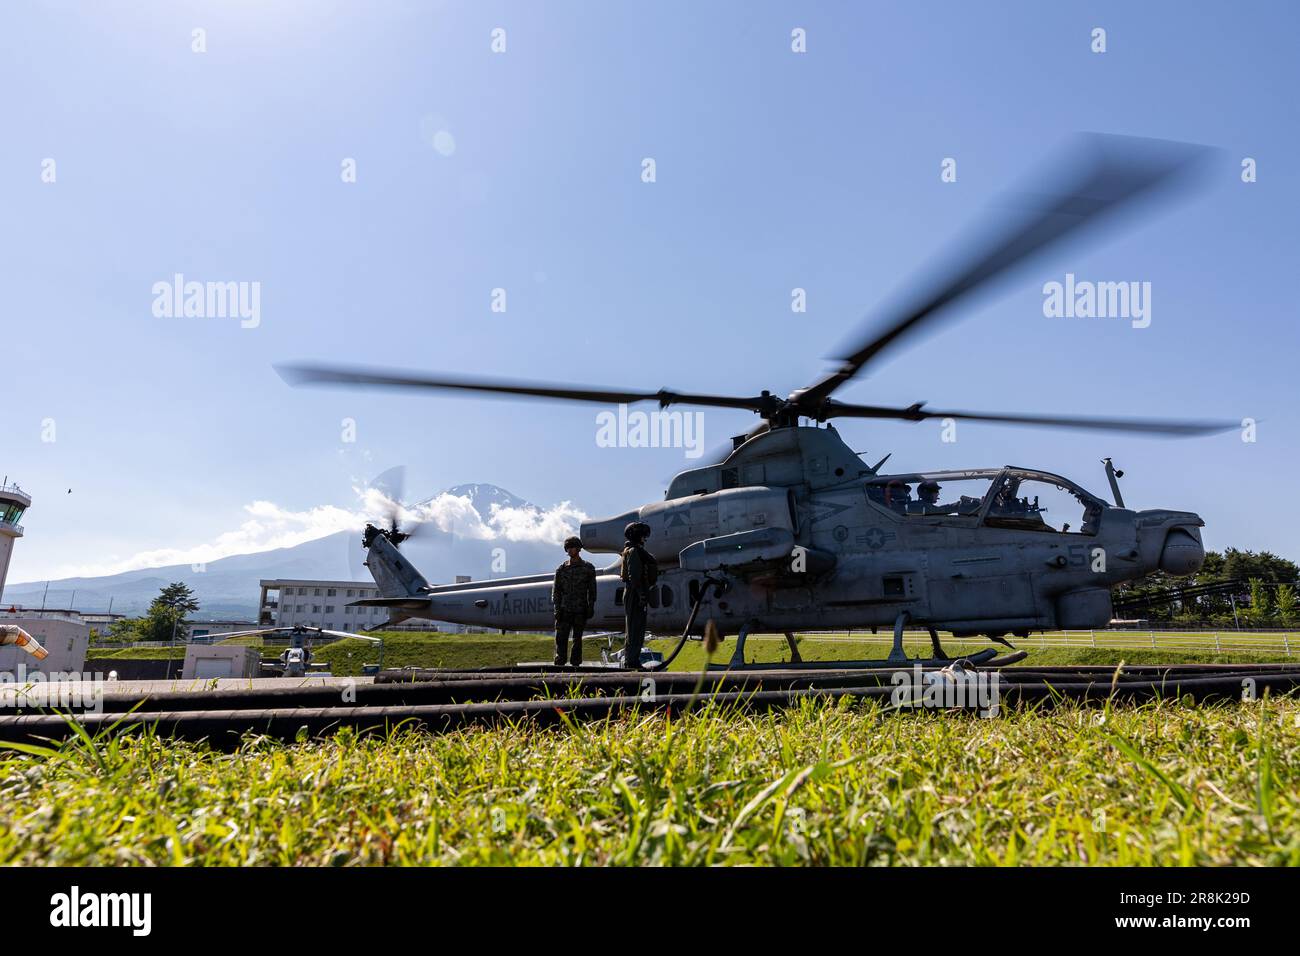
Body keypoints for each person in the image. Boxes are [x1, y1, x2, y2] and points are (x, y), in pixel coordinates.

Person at [551, 535, 597, 667]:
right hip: (564, 610)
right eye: (568, 548)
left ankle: (575, 664)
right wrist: (557, 609)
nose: (570, 550)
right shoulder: (561, 569)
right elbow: (556, 591)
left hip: (580, 610)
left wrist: (591, 606)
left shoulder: (588, 568)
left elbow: (592, 590)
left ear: (578, 549)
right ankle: (560, 663)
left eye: (572, 547)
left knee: (577, 639)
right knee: (561, 638)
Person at [619, 521, 658, 669]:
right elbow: (634, 576)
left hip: (637, 592)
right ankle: (631, 661)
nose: (645, 539)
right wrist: (641, 594)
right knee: (634, 628)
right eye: (643, 536)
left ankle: (632, 659)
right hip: (635, 593)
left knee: (638, 628)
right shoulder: (634, 552)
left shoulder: (635, 550)